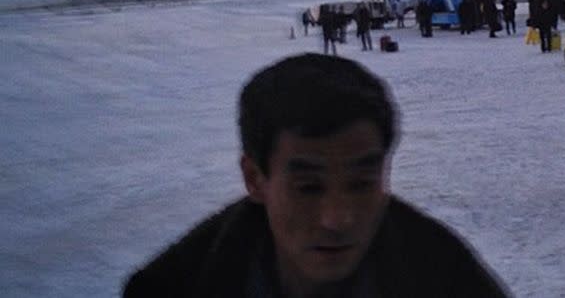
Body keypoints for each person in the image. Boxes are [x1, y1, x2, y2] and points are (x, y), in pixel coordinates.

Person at [123, 54, 509, 297]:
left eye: (361, 183)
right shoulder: (174, 286)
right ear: (255, 178)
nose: (338, 218)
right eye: (308, 188)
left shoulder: (450, 280)